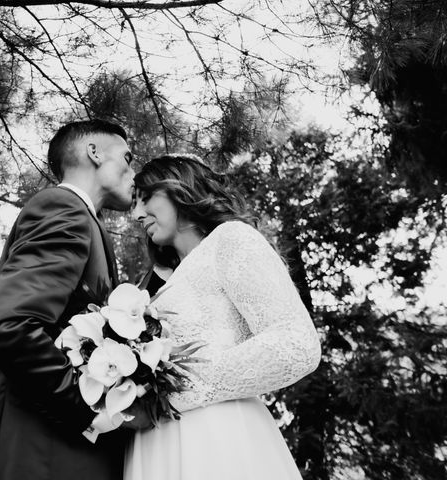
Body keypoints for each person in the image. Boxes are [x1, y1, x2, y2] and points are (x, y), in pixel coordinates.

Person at [126, 154, 322, 480]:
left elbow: (297, 342)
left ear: (180, 187)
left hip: (217, 439)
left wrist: (170, 394)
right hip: (156, 447)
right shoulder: (161, 283)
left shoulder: (230, 239)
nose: (136, 214)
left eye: (145, 198)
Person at [0, 119, 136, 480]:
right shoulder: (64, 208)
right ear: (94, 152)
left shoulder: (88, 222)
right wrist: (88, 411)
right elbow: (8, 328)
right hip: (43, 454)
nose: (133, 172)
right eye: (128, 156)